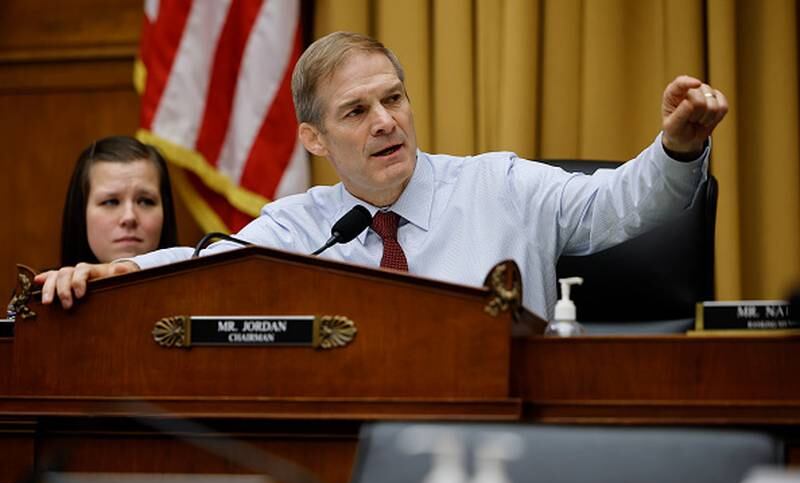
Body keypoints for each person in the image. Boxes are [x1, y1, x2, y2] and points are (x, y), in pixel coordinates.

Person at [37, 32, 727, 318]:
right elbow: (201, 266)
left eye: (393, 98)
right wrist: (109, 277)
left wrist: (675, 149)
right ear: (314, 138)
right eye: (357, 110)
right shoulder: (302, 225)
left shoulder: (502, 185)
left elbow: (624, 205)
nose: (386, 122)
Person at [59, 135, 179, 265]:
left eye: (145, 201)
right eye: (111, 202)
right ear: (81, 213)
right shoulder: (46, 284)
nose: (129, 217)